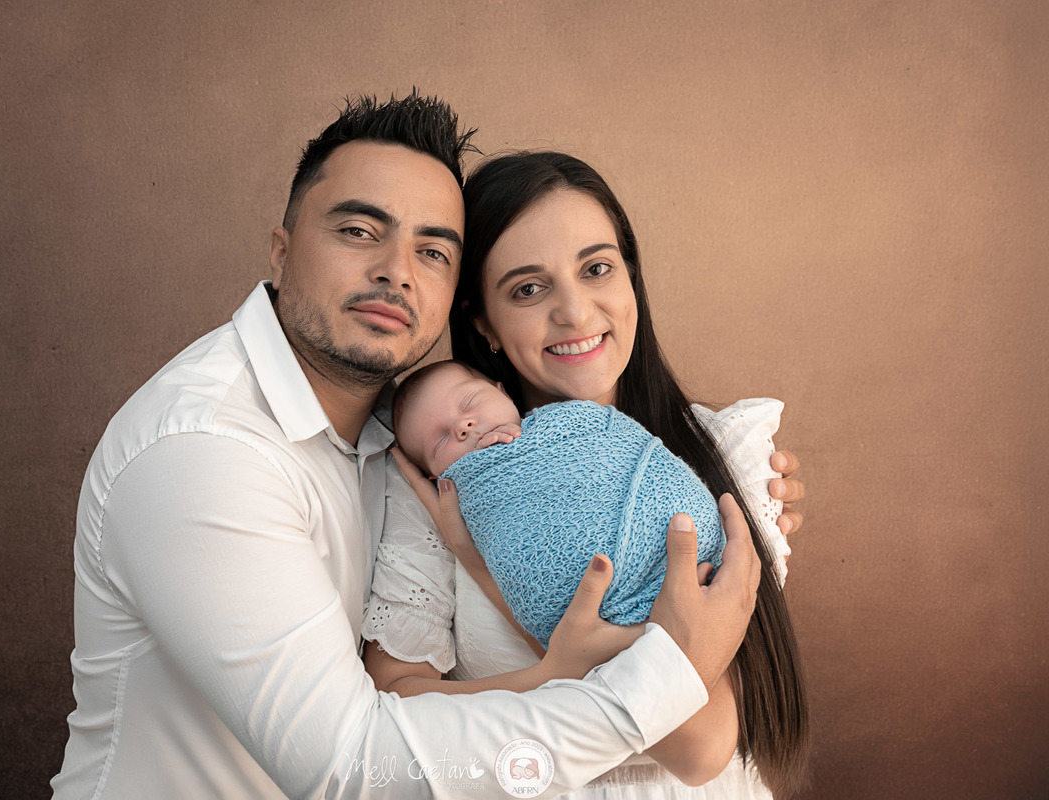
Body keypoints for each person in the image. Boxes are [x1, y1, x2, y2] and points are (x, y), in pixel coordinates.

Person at [50, 94, 773, 798]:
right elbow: (352, 769)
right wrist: (649, 678)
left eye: (431, 251)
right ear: (280, 250)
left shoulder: (410, 437)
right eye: (359, 230)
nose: (396, 271)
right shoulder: (205, 453)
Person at [363, 151, 810, 798]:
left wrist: (486, 570)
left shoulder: (721, 453)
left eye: (597, 268)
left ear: (631, 279)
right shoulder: (438, 479)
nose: (574, 312)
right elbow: (390, 710)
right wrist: (551, 669)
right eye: (527, 288)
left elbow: (701, 746)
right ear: (483, 323)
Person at [390, 360, 787, 648]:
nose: (463, 426)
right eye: (440, 440)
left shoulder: (569, 423)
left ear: (502, 392)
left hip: (693, 558)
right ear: (435, 478)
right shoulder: (463, 508)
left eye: (469, 402)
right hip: (604, 623)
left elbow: (622, 447)